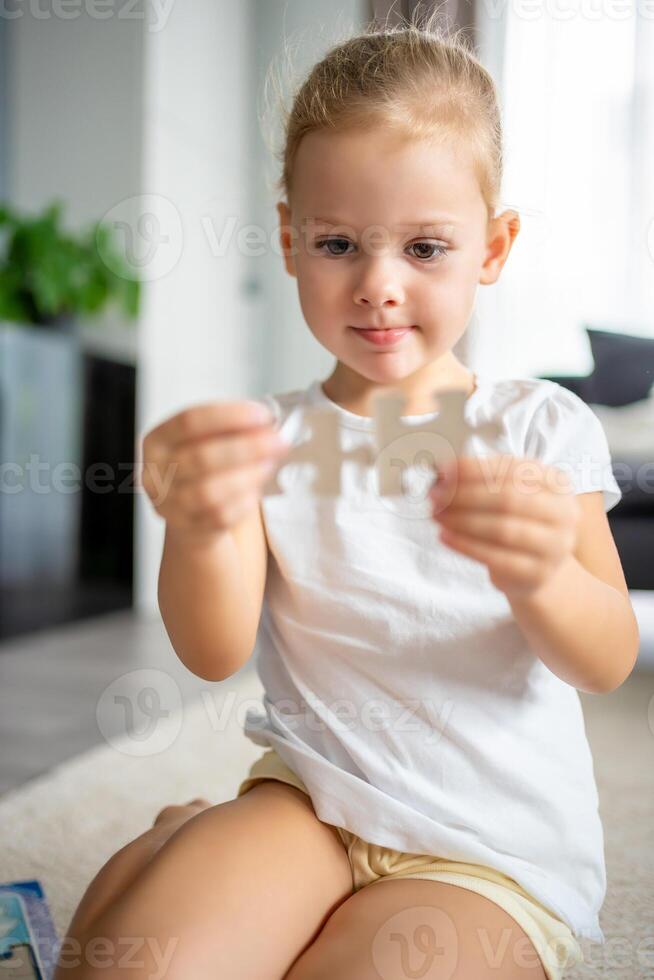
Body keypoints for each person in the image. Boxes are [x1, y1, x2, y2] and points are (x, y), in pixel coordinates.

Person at [55, 11, 638, 980]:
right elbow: (210, 651)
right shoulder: (262, 436)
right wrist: (199, 524)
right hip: (311, 805)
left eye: (424, 248)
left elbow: (608, 656)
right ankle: (192, 833)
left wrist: (543, 577)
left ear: (492, 249)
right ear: (288, 241)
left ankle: (182, 837)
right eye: (337, 244)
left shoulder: (540, 429)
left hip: (487, 852)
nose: (376, 284)